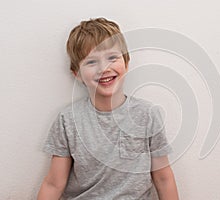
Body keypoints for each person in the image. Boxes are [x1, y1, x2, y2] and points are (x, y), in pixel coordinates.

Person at [37, 17, 179, 200]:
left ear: (126, 63)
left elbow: (163, 178)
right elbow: (54, 183)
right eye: (91, 62)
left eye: (112, 58)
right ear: (77, 74)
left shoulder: (147, 115)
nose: (104, 68)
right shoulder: (68, 120)